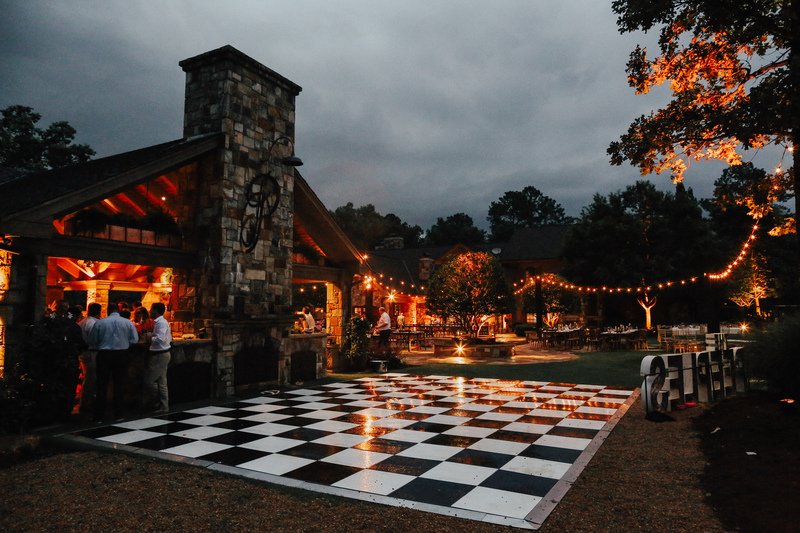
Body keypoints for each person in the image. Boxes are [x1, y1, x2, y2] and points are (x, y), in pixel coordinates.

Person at [89, 303, 139, 422]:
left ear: (108, 310)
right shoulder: (127, 322)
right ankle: (119, 413)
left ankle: (99, 415)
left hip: (104, 354)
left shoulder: (100, 323)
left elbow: (92, 340)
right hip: (122, 354)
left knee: (101, 384)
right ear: (119, 310)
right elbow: (135, 339)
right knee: (119, 384)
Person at [143, 302, 172, 413]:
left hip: (159, 354)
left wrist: (149, 337)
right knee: (162, 382)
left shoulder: (161, 323)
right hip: (163, 353)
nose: (149, 311)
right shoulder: (161, 322)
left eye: (151, 309)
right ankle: (164, 405)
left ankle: (157, 401)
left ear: (155, 310)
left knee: (149, 381)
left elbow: (159, 339)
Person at [77, 303, 102, 413]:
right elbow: (94, 339)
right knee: (90, 379)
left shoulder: (83, 322)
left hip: (85, 352)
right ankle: (86, 403)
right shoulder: (93, 323)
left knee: (88, 377)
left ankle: (86, 401)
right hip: (91, 352)